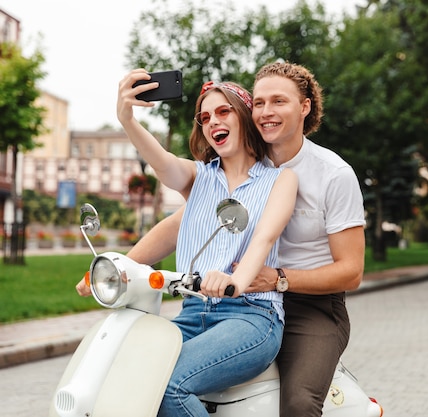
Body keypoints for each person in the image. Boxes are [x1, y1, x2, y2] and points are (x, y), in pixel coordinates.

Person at [78, 62, 365, 416]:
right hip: (206, 303)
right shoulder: (205, 177)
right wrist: (115, 268)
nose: (267, 112)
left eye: (279, 102)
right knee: (133, 377)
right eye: (260, 103)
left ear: (304, 108)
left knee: (298, 402)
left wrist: (249, 280)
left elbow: (279, 244)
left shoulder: (316, 175)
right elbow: (175, 217)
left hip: (296, 304)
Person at [112, 69, 297, 417]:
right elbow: (162, 163)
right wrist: (127, 119)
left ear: (243, 116)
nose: (213, 122)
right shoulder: (198, 178)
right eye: (205, 117)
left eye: (223, 112)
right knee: (128, 376)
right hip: (194, 312)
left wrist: (235, 283)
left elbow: (264, 238)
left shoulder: (280, 179)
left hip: (251, 317)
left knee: (168, 385)